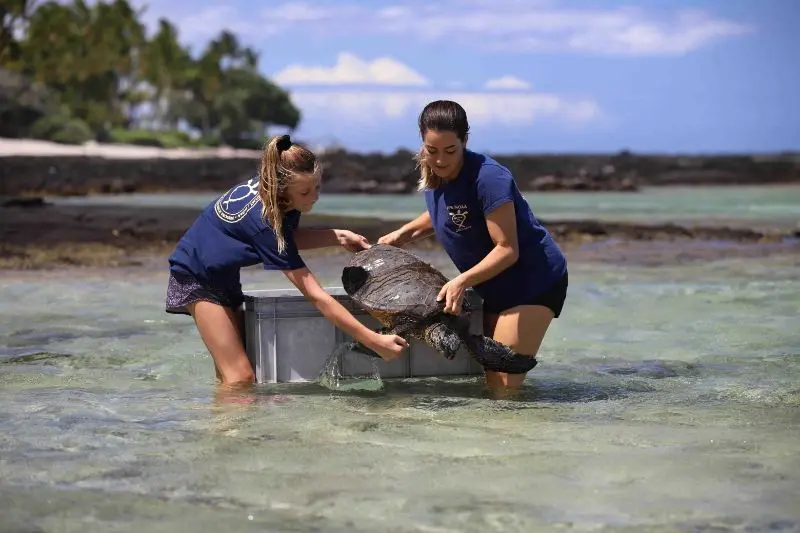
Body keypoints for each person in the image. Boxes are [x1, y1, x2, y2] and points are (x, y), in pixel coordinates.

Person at [165, 134, 409, 388]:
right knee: (240, 378)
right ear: (281, 190)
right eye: (305, 192)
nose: (313, 197)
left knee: (232, 376)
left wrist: (337, 236)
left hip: (223, 274)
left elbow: (284, 240)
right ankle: (224, 427)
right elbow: (316, 296)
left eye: (317, 187)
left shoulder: (277, 194)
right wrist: (373, 340)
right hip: (195, 276)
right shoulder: (265, 221)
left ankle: (230, 427)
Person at [378, 100, 568, 393]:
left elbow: (507, 248)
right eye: (432, 150)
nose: (441, 159)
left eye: (450, 151)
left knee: (503, 385)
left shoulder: (489, 178)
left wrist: (461, 281)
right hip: (495, 286)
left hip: (533, 280)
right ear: (422, 143)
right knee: (492, 378)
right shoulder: (435, 174)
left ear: (465, 141)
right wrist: (404, 233)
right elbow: (448, 210)